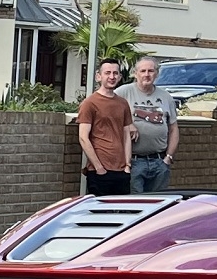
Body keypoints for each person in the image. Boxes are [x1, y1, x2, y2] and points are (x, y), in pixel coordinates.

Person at [75, 58, 135, 196]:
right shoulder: (89, 103)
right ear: (98, 76)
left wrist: (127, 165)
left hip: (121, 171)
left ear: (120, 77)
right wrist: (98, 167)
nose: (112, 77)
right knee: (100, 215)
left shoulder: (123, 103)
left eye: (115, 73)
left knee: (123, 214)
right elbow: (83, 138)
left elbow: (126, 135)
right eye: (107, 73)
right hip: (99, 172)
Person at [123, 54, 177, 193]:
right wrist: (128, 124)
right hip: (134, 162)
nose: (146, 75)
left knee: (158, 205)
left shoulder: (166, 97)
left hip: (159, 161)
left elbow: (173, 129)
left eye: (150, 71)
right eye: (143, 71)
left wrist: (168, 157)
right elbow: (108, 115)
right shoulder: (123, 92)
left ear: (157, 74)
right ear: (135, 74)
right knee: (134, 203)